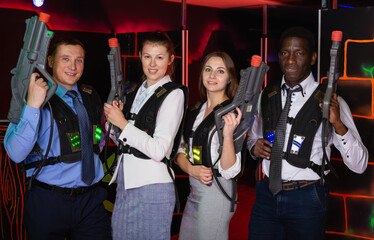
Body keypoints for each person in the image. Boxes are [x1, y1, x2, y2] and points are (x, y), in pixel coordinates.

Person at [246, 26, 368, 240]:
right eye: (285, 53)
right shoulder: (267, 94)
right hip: (266, 195)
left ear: (312, 58)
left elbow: (360, 165)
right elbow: (252, 137)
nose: (290, 60)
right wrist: (254, 147)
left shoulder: (331, 100)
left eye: (299, 53)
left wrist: (338, 124)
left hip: (306, 198)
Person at [4, 38, 111, 240]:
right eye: (66, 59)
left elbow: (98, 140)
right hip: (49, 201)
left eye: (79, 60)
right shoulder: (31, 98)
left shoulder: (91, 96)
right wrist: (33, 106)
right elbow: (15, 154)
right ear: (51, 61)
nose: (73, 66)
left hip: (91, 200)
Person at [104, 31, 187, 240]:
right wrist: (113, 124)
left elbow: (159, 150)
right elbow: (123, 141)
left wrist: (122, 122)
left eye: (159, 57)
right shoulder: (136, 92)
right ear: (140, 56)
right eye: (147, 56)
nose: (152, 63)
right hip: (126, 182)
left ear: (170, 60)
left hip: (152, 186)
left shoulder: (173, 93)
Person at [175, 51, 242, 240]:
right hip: (194, 190)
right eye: (208, 69)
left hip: (217, 191)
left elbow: (230, 171)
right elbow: (178, 149)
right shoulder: (196, 109)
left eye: (220, 71)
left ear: (229, 78)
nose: (212, 76)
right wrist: (191, 168)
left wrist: (227, 135)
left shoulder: (233, 113)